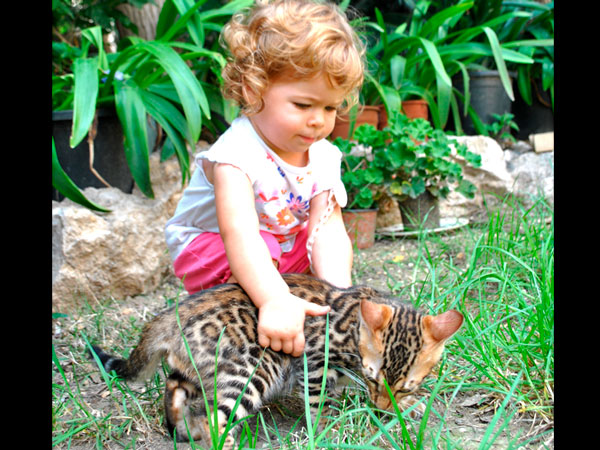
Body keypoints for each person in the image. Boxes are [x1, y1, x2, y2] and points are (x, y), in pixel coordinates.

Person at [164, 0, 365, 357]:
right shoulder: (236, 155)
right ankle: (239, 323)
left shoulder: (323, 155)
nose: (318, 120)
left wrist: (340, 299)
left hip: (275, 246)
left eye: (330, 107)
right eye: (303, 105)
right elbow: (239, 233)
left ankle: (289, 307)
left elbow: (327, 231)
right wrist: (273, 298)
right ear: (254, 90)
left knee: (303, 251)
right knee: (266, 253)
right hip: (209, 248)